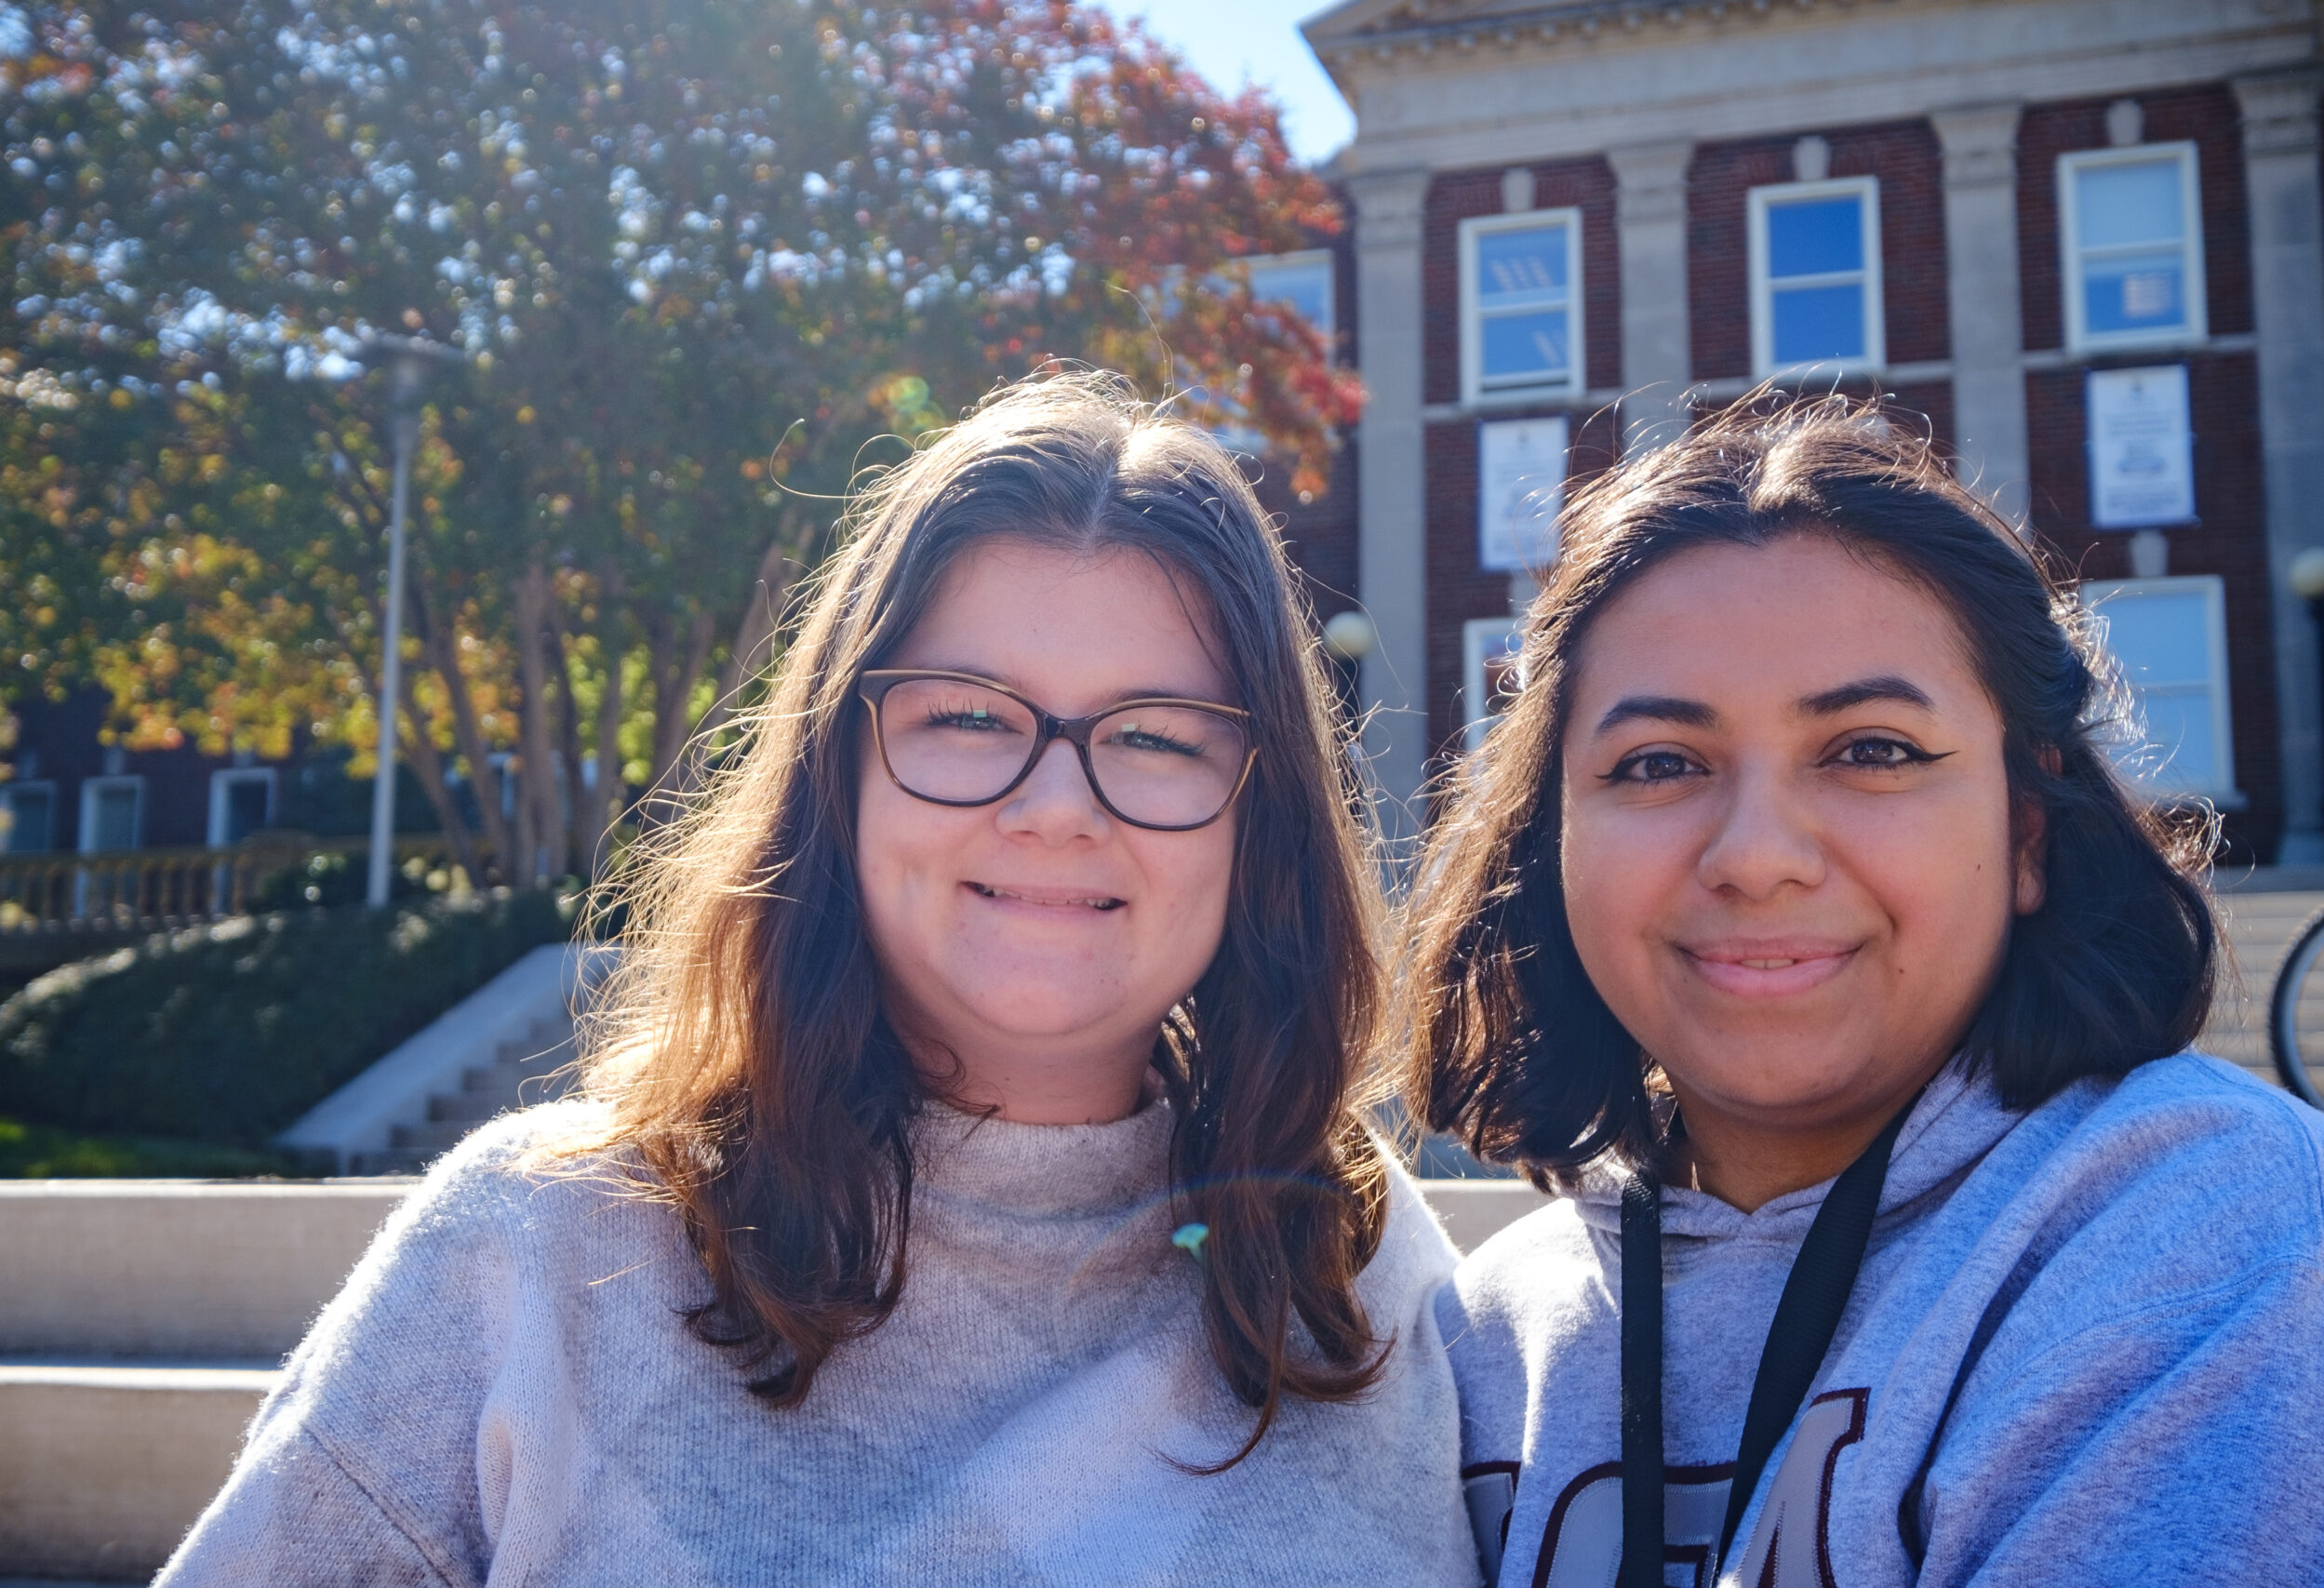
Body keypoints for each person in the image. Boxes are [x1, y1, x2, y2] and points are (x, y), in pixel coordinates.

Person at [159, 373, 1475, 1586]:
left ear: (1265, 817)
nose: (1058, 805)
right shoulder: (534, 1251)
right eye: (967, 715)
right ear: (834, 772)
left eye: (1157, 736)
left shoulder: (1361, 1275)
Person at [1400, 397, 2324, 1587]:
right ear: (1550, 842)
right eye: (1657, 764)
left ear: (2026, 830)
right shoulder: (1475, 1334)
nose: (1756, 854)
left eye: (1871, 750)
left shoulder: (2229, 1237)